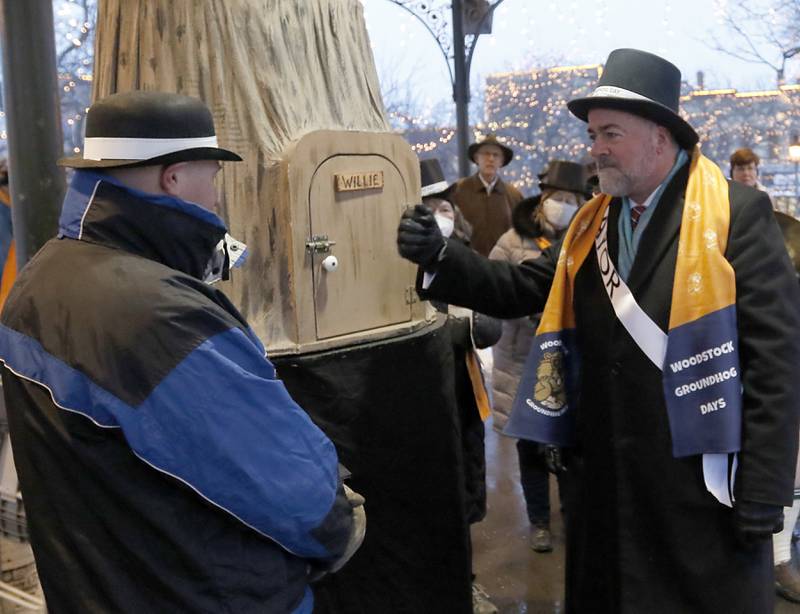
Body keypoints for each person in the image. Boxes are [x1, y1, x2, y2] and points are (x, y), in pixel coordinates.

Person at [397, 48, 800, 613]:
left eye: (610, 134)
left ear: (661, 136)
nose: (595, 150)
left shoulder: (738, 215)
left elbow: (776, 363)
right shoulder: (594, 223)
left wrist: (764, 487)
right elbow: (519, 288)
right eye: (592, 135)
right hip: (606, 484)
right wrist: (440, 256)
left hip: (699, 490)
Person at [0, 91, 365, 613]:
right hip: (200, 591)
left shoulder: (40, 278)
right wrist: (336, 521)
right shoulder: (154, 314)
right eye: (211, 175)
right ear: (173, 176)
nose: (216, 196)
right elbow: (291, 489)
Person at [488, 160, 588, 554]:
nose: (561, 205)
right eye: (555, 198)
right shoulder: (513, 242)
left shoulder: (587, 241)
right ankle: (540, 522)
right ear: (541, 200)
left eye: (570, 199)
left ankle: (571, 513)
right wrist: (522, 306)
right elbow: (493, 290)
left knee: (570, 443)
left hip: (572, 362)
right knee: (530, 444)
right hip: (522, 361)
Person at [420, 158, 500, 614]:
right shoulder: (397, 263)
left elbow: (490, 324)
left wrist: (452, 325)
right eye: (429, 206)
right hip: (420, 396)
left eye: (444, 205)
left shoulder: (465, 256)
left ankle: (465, 583)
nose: (441, 214)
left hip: (463, 390)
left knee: (466, 486)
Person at [447, 134, 524, 257]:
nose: (491, 159)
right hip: (467, 264)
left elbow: (520, 234)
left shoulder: (514, 195)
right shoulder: (459, 190)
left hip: (502, 266)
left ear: (502, 161)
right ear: (476, 158)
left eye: (496, 155)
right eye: (486, 154)